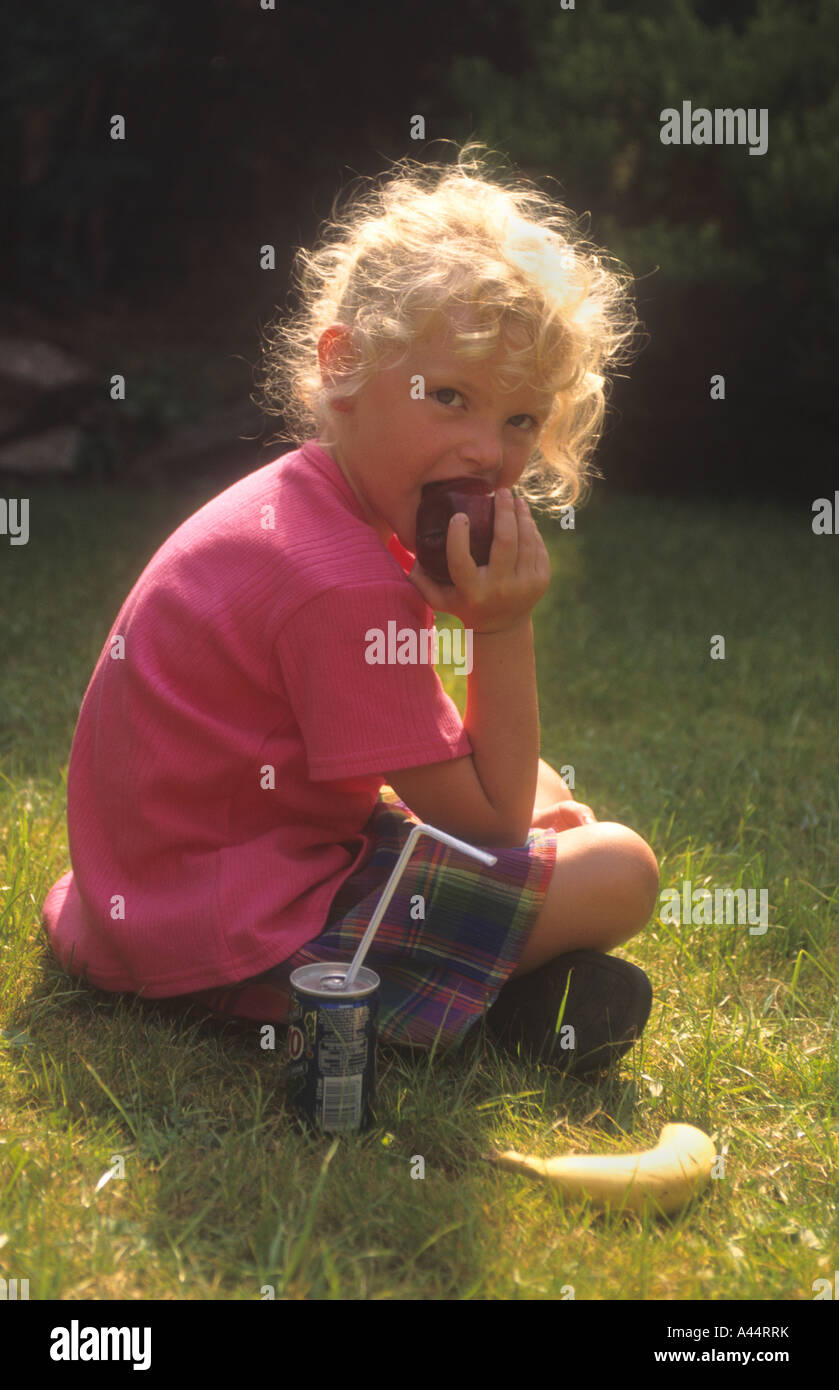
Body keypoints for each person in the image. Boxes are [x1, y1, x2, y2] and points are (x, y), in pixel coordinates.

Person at [42, 144, 658, 1074]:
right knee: (620, 873)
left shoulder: (306, 503)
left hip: (165, 892)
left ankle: (487, 996)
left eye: (521, 419)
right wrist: (500, 625)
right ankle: (447, 1002)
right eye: (449, 397)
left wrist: (525, 815)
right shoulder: (342, 581)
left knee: (550, 794)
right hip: (237, 935)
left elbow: (459, 777)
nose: (489, 452)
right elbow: (485, 823)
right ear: (343, 367)